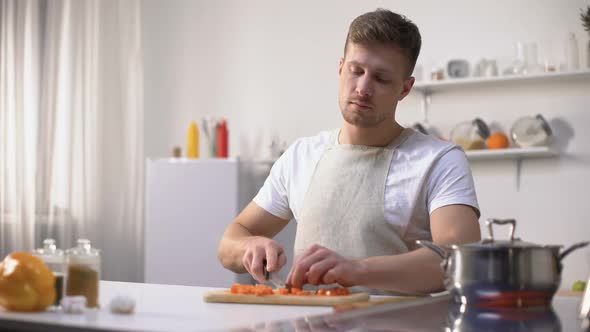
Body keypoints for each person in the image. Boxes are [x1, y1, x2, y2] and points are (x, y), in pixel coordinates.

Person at [218, 8, 480, 295]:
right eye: (357, 71)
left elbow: (460, 257)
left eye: (381, 79)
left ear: (405, 89)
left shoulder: (439, 160)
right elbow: (231, 241)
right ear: (341, 68)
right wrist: (249, 246)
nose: (363, 88)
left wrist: (357, 271)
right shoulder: (300, 156)